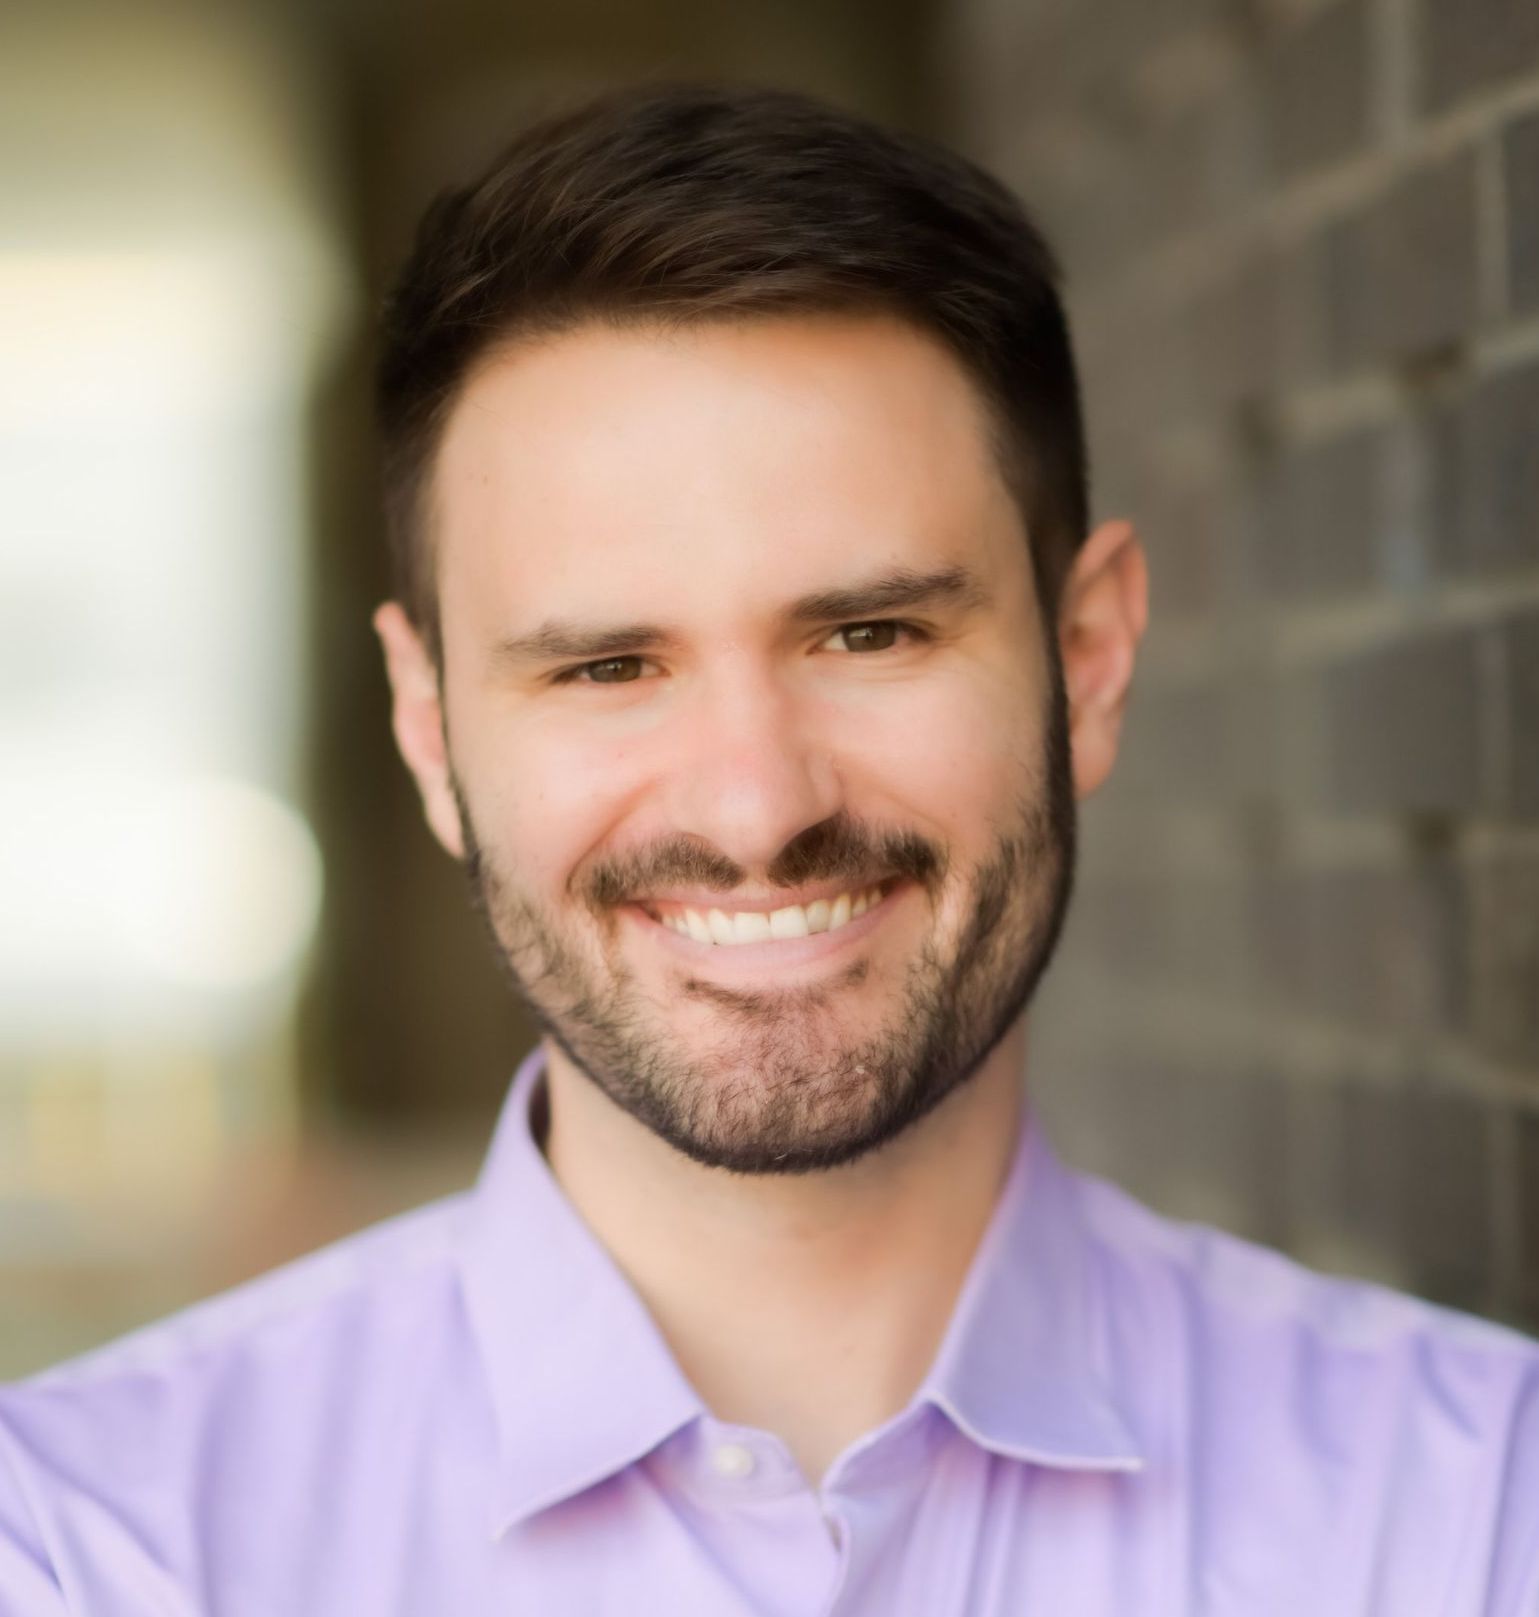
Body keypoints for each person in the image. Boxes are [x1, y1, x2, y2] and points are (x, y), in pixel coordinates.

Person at [1, 83, 1534, 1617]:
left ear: (1090, 655)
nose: (755, 807)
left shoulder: (1474, 1505)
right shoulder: (88, 1544)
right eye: (607, 667)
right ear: (428, 728)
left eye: (869, 633)